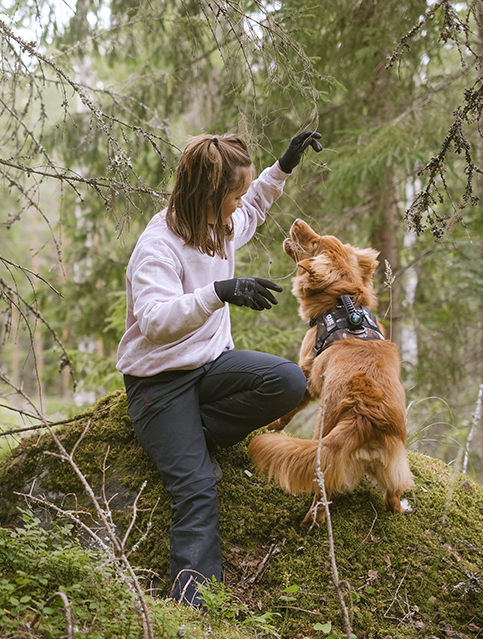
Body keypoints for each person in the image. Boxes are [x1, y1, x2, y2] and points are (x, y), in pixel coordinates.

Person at [116, 129, 323, 606]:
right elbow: (154, 323)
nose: (238, 206)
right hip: (158, 384)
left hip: (210, 369)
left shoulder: (221, 224)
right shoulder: (158, 247)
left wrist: (283, 166)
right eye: (232, 195)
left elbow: (252, 210)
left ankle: (192, 433)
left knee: (290, 381)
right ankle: (195, 608)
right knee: (198, 491)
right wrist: (219, 293)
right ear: (207, 196)